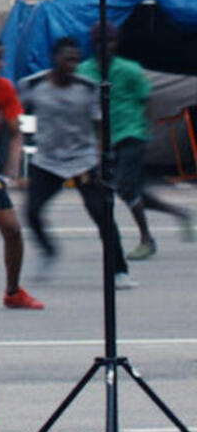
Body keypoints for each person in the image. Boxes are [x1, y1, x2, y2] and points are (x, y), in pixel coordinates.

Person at [20, 36, 134, 289]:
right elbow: (17, 114)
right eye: (67, 59)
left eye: (75, 60)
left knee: (102, 215)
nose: (71, 65)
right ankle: (49, 251)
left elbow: (99, 125)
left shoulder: (87, 88)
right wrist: (21, 149)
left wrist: (102, 157)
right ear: (54, 59)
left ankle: (120, 270)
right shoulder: (32, 85)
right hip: (47, 161)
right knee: (31, 211)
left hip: (82, 160)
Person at [77, 21, 194, 259]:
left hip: (130, 133)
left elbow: (146, 99)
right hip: (103, 138)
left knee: (125, 186)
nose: (104, 47)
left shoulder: (129, 70)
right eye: (99, 42)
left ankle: (147, 239)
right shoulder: (85, 71)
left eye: (108, 41)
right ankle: (179, 212)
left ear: (116, 43)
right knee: (131, 190)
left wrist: (144, 127)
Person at [0, 33, 43, 309]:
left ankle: (13, 292)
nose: (0, 64)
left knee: (12, 229)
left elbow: (15, 132)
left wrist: (12, 169)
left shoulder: (3, 87)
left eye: (1, 58)